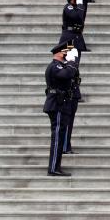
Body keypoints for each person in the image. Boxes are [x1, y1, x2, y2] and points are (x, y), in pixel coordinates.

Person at [43, 42, 78, 177]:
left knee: (60, 136)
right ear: (58, 53)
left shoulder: (61, 66)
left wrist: (71, 64)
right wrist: (72, 63)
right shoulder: (55, 66)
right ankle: (53, 168)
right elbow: (66, 75)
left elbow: (72, 75)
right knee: (57, 138)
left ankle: (56, 166)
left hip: (62, 104)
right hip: (57, 105)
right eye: (65, 52)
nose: (66, 55)